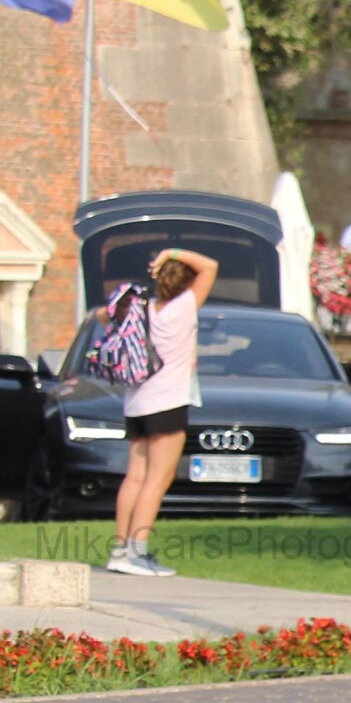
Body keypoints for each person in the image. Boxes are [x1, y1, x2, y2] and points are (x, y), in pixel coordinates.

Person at [106, 247, 218, 577]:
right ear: (185, 283)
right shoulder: (183, 307)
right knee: (158, 478)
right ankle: (137, 552)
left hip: (136, 401)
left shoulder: (143, 309)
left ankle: (119, 549)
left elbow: (104, 314)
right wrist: (171, 251)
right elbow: (209, 264)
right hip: (167, 401)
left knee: (135, 476)